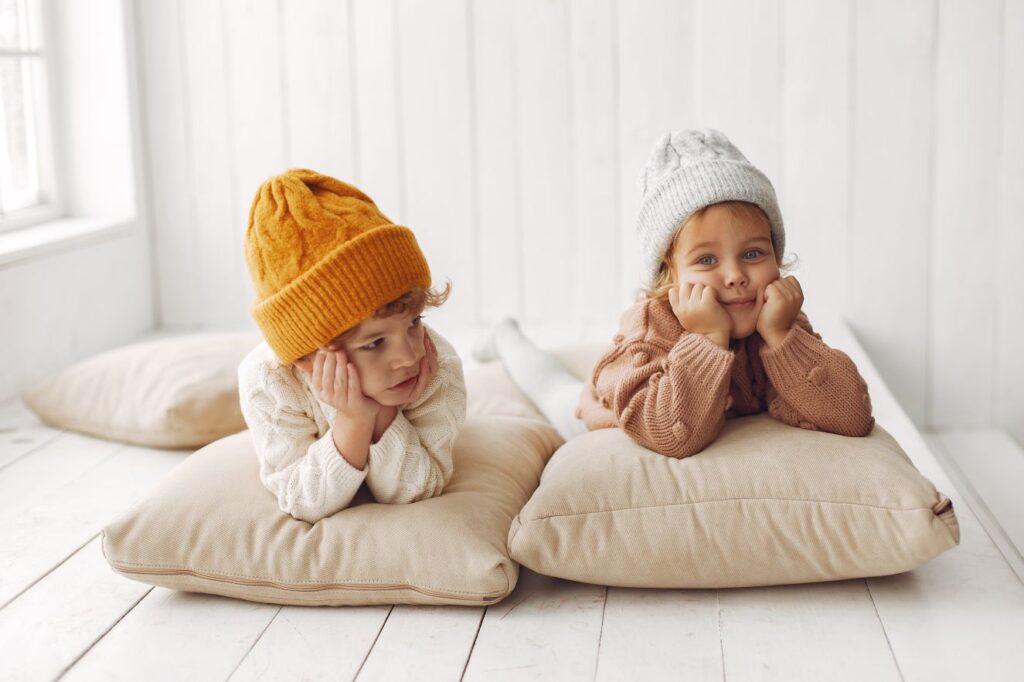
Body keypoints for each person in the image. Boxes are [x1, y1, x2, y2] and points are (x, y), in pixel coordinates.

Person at [475, 129, 873, 457]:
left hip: (662, 368)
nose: (735, 276)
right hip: (596, 412)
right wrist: (709, 340)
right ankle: (506, 337)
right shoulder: (654, 320)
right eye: (706, 261)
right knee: (551, 388)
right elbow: (671, 435)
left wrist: (784, 339)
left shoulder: (775, 317)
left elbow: (852, 417)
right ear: (669, 275)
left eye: (753, 253)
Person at [238, 169, 466, 523]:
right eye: (374, 343)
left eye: (413, 322)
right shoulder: (269, 381)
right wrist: (354, 420)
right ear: (307, 359)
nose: (409, 355)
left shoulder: (438, 367)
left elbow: (419, 488)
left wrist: (381, 413)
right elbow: (302, 500)